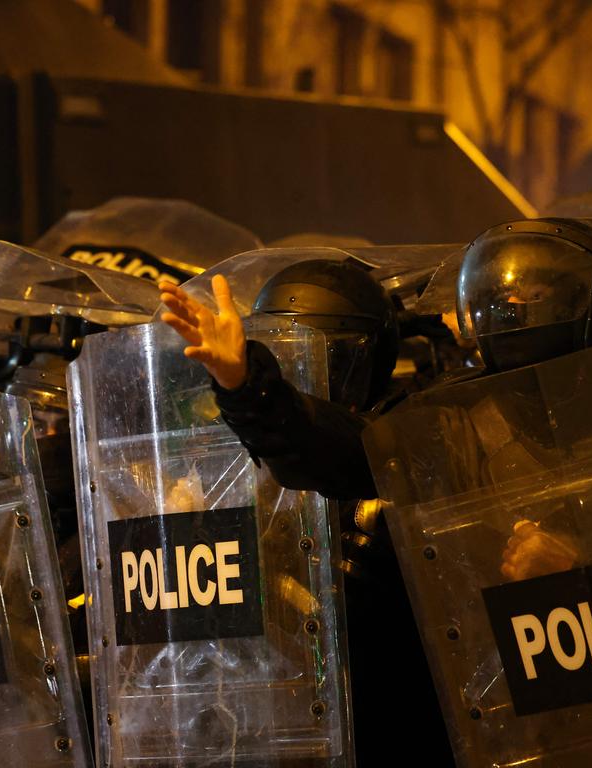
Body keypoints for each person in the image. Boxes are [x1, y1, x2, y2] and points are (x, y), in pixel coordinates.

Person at [160, 262, 455, 767]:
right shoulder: (233, 469)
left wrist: (249, 388)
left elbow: (326, 448)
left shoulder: (410, 442)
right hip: (268, 733)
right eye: (288, 354)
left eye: (329, 355)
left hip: (393, 728)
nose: (309, 370)